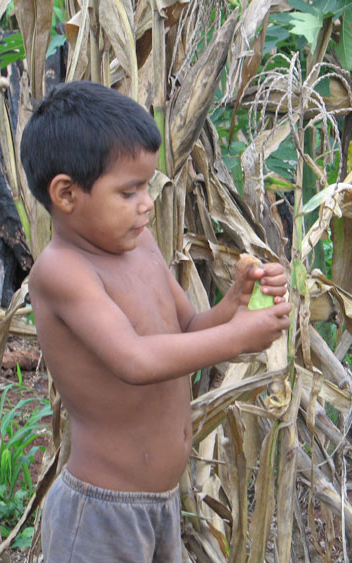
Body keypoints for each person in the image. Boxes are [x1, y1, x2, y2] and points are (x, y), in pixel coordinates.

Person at [20, 80, 291, 562]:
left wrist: (234, 304)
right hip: (102, 512)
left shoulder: (140, 246)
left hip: (160, 502)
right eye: (129, 191)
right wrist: (237, 337)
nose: (147, 202)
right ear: (65, 193)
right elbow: (136, 360)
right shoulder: (64, 272)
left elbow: (185, 333)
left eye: (146, 185)